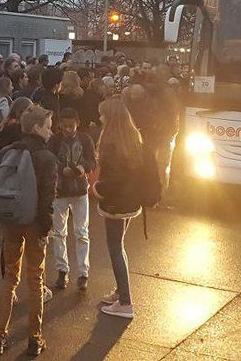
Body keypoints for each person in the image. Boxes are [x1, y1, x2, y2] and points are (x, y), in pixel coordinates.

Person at [0, 105, 58, 358]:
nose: (51, 131)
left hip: (11, 220)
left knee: (10, 278)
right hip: (34, 224)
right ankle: (34, 337)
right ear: (37, 128)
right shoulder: (47, 158)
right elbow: (48, 198)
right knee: (35, 280)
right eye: (48, 126)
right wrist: (46, 227)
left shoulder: (8, 151)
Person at [93, 97, 146, 320]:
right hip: (131, 200)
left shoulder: (110, 141)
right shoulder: (133, 137)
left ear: (110, 117)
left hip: (115, 201)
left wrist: (97, 187)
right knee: (120, 246)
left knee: (114, 247)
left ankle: (125, 302)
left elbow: (112, 178)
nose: (99, 117)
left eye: (102, 114)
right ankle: (119, 291)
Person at [47, 107, 96, 291]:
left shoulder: (85, 139)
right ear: (60, 125)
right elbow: (51, 160)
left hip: (78, 189)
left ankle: (82, 272)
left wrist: (84, 168)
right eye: (65, 126)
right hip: (63, 190)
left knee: (80, 232)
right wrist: (63, 170)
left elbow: (92, 161)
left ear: (77, 123)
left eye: (71, 126)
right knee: (61, 232)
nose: (68, 129)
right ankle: (63, 270)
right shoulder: (56, 140)